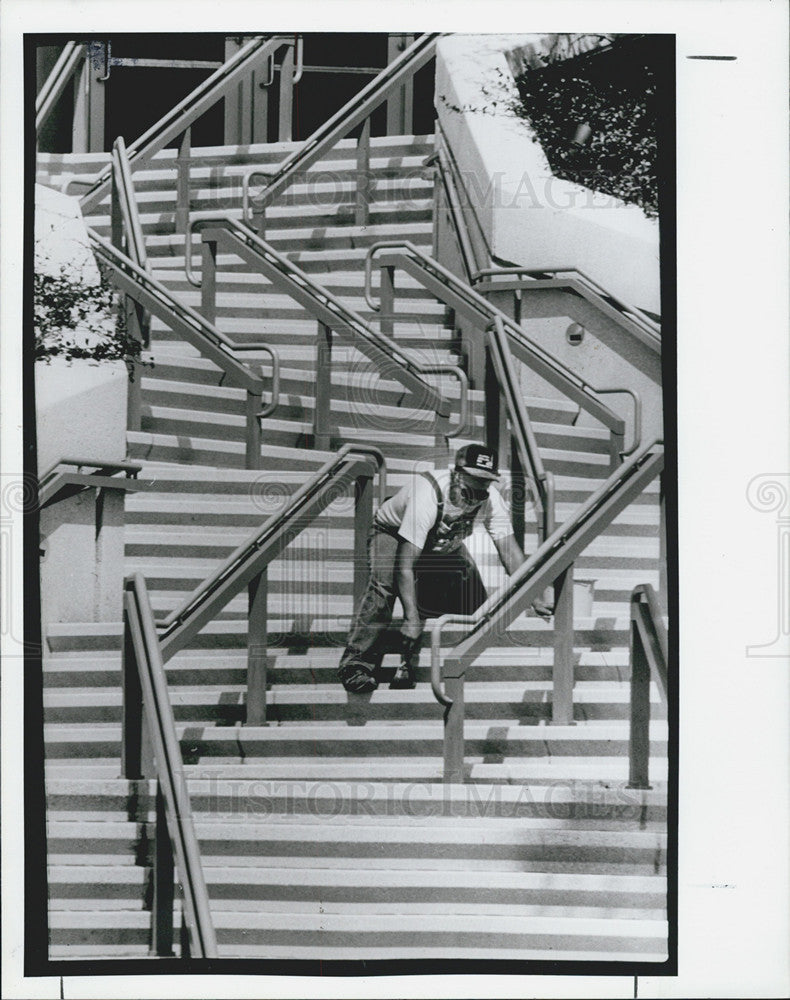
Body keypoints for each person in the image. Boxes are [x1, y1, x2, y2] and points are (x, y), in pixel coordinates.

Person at [337, 443, 553, 694]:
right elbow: (405, 566)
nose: (475, 496)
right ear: (456, 474)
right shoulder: (427, 495)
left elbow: (510, 553)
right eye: (470, 486)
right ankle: (356, 664)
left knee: (474, 601)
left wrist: (535, 596)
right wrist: (410, 617)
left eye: (483, 488)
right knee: (384, 585)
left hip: (442, 541)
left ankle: (446, 663)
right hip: (393, 532)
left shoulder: (491, 500)